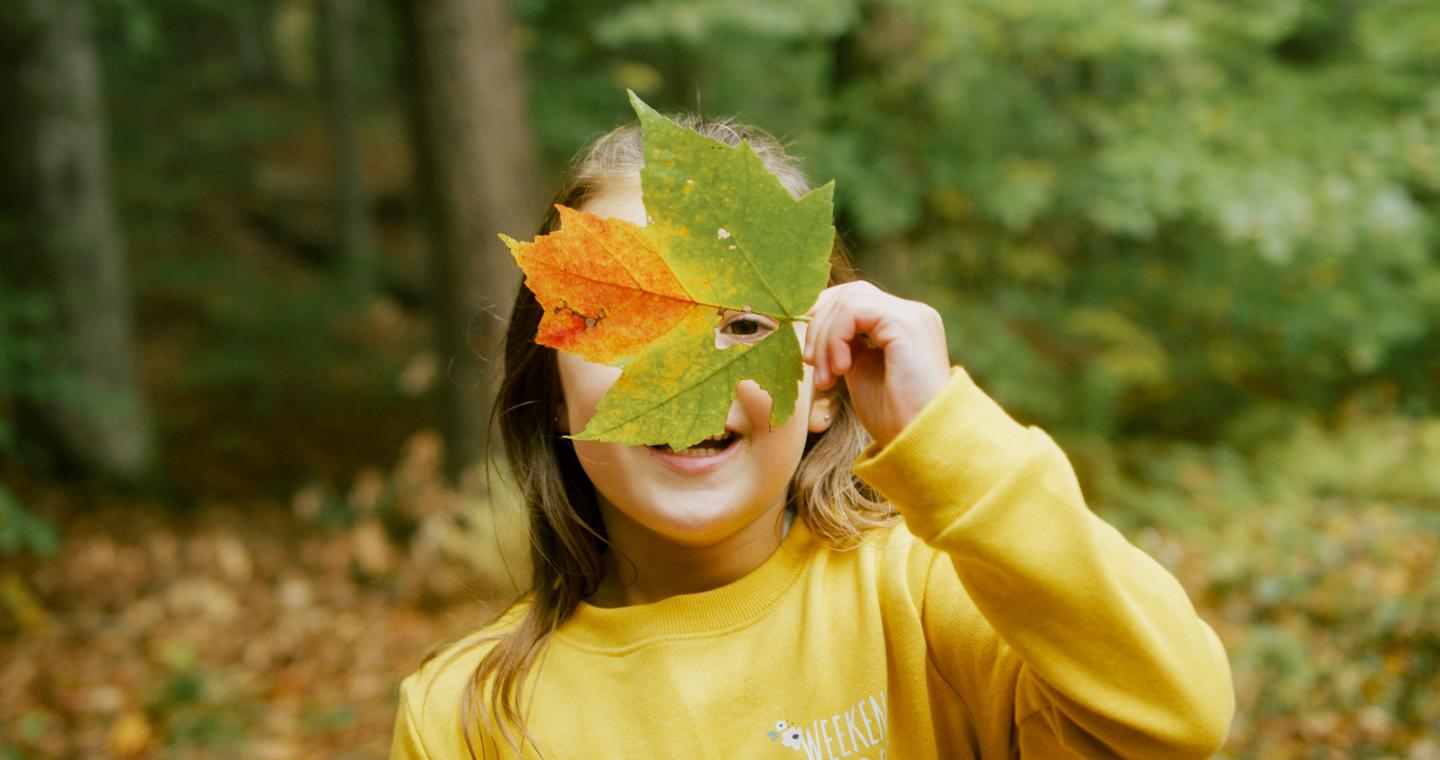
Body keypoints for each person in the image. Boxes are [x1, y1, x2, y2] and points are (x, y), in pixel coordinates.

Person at [389, 115, 1235, 759]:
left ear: (823, 387)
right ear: (555, 390)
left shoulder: (934, 606)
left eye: (745, 325)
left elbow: (1178, 715)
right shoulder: (465, 713)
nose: (696, 377)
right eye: (626, 327)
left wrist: (945, 435)